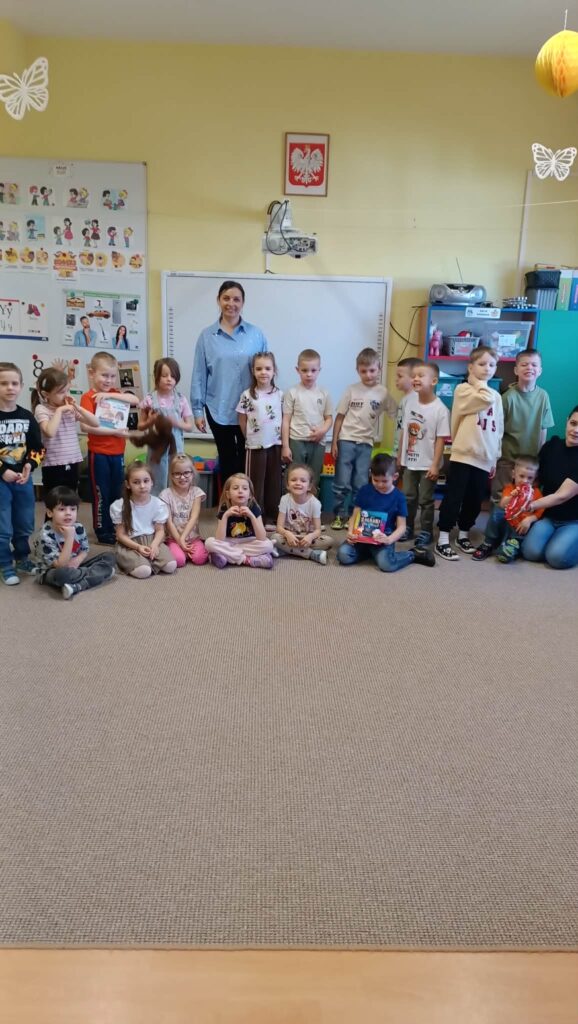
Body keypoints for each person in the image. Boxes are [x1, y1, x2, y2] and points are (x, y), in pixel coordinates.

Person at [190, 281, 268, 484]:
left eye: (236, 299)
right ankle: (227, 501)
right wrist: (197, 411)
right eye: (226, 298)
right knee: (227, 460)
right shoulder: (207, 336)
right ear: (218, 300)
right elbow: (199, 374)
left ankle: (246, 501)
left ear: (243, 303)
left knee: (247, 461)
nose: (231, 303)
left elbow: (267, 370)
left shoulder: (256, 335)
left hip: (251, 410)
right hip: (218, 408)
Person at [435, 346, 504, 561]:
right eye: (482, 364)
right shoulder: (464, 390)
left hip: (485, 457)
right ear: (470, 367)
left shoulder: (496, 396)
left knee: (475, 499)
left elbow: (499, 429)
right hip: (464, 453)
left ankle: (463, 534)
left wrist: (495, 457)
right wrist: (477, 382)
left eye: (492, 365)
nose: (487, 369)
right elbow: (484, 399)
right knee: (454, 496)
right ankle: (443, 538)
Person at [330, 347, 397, 529]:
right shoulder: (351, 390)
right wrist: (334, 442)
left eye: (372, 370)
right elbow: (340, 417)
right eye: (363, 371)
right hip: (346, 440)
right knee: (342, 481)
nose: (368, 375)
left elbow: (396, 413)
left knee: (360, 483)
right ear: (357, 370)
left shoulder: (383, 393)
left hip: (366, 443)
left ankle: (354, 515)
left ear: (379, 368)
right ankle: (339, 515)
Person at [336, 453, 435, 572]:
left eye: (384, 481)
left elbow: (402, 527)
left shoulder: (399, 497)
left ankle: (413, 554)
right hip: (361, 536)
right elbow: (355, 515)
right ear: (371, 475)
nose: (379, 484)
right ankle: (371, 553)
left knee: (386, 565)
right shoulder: (364, 490)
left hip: (384, 536)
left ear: (395, 477)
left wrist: (389, 539)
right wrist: (350, 532)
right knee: (343, 555)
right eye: (375, 480)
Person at [80, 352, 139, 545]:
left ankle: (116, 527)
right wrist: (115, 432)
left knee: (117, 492)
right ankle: (102, 530)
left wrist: (109, 395)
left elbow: (135, 401)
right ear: (92, 373)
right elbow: (86, 427)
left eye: (113, 376)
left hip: (118, 454)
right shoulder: (88, 397)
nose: (109, 380)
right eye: (104, 375)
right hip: (99, 455)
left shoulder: (115, 394)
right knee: (101, 494)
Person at [0, 362, 45, 585]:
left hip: (23, 480)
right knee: (3, 525)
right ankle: (5, 564)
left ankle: (22, 558)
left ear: (21, 386)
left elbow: (38, 448)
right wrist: (3, 471)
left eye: (14, 383)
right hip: (1, 481)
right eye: (3, 383)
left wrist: (29, 465)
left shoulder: (27, 416)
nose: (10, 387)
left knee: (25, 522)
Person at [398, 361, 450, 547]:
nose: (415, 379)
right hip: (409, 461)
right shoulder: (409, 402)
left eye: (421, 376)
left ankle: (426, 531)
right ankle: (407, 527)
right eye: (414, 376)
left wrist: (435, 464)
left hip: (428, 463)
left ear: (434, 381)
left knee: (426, 499)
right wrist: (399, 456)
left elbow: (441, 440)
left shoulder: (440, 409)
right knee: (408, 496)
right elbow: (404, 431)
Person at [519, 407, 578, 570]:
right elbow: (535, 481)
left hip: (573, 521)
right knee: (530, 553)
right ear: (567, 421)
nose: (576, 430)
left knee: (556, 558)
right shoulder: (551, 446)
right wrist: (520, 501)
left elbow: (561, 496)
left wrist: (530, 505)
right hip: (548, 517)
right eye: (573, 423)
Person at [31, 486, 115, 600]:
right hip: (51, 571)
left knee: (110, 557)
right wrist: (69, 537)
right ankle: (97, 574)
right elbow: (60, 565)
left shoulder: (78, 527)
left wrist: (78, 560)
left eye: (72, 509)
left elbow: (84, 549)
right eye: (62, 509)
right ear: (50, 513)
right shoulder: (45, 535)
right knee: (63, 575)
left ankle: (77, 585)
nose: (68, 513)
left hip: (75, 566)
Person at [492, 349, 553, 503]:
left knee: (525, 499)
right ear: (516, 370)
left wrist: (540, 456)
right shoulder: (507, 398)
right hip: (507, 459)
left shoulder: (543, 396)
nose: (529, 368)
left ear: (540, 371)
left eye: (534, 365)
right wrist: (495, 457)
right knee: (502, 498)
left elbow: (543, 428)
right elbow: (497, 431)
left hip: (531, 460)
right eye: (524, 364)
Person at [32, 367, 99, 495]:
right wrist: (59, 410)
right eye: (61, 392)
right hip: (53, 463)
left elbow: (95, 423)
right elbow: (49, 432)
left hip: (72, 461)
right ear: (46, 394)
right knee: (54, 499)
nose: (66, 395)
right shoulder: (42, 409)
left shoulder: (70, 409)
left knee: (70, 498)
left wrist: (77, 407)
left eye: (67, 390)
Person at [236, 351, 283, 527]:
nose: (263, 372)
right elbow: (242, 419)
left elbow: (285, 418)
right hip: (255, 446)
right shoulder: (248, 395)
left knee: (274, 482)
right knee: (255, 482)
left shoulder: (280, 395)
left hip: (275, 444)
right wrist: (249, 437)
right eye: (259, 369)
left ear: (274, 371)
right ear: (253, 371)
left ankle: (272, 516)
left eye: (268, 368)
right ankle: (255, 516)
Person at [110, 461, 177, 579]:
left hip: (152, 540)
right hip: (130, 543)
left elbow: (160, 530)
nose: (142, 486)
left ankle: (146, 561)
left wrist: (155, 545)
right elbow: (120, 535)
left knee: (171, 566)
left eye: (146, 481)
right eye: (136, 482)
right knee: (144, 571)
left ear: (152, 482)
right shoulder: (120, 506)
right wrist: (138, 547)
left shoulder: (158, 504)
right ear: (128, 484)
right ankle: (132, 561)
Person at [138, 357, 194, 494]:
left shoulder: (181, 399)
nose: (169, 379)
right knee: (156, 479)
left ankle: (174, 503)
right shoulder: (150, 399)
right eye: (164, 375)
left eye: (173, 376)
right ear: (157, 377)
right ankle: (156, 503)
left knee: (176, 476)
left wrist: (176, 422)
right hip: (156, 449)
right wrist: (150, 421)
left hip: (176, 448)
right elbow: (140, 426)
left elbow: (190, 426)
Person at [473, 455, 542, 563]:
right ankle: (488, 543)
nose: (525, 481)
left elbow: (540, 512)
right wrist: (512, 496)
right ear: (514, 474)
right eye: (521, 476)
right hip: (507, 523)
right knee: (497, 511)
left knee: (507, 552)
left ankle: (510, 547)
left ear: (535, 478)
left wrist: (529, 519)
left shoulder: (536, 493)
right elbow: (502, 504)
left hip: (520, 529)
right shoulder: (510, 488)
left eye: (530, 478)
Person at [281, 348, 333, 488]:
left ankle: (312, 502)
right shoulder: (292, 392)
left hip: (318, 442)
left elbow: (329, 418)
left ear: (319, 370)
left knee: (314, 479)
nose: (309, 374)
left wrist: (322, 431)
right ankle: (291, 502)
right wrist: (285, 446)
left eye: (313, 370)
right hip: (296, 440)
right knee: (294, 477)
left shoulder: (324, 393)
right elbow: (286, 420)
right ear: (297, 370)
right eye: (304, 370)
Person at [204, 472, 275, 569]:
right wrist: (226, 516)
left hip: (249, 541)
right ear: (228, 494)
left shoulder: (254, 507)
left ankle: (226, 556)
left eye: (244, 488)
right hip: (230, 541)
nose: (240, 491)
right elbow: (219, 539)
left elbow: (262, 537)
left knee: (268, 545)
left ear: (250, 495)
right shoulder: (224, 508)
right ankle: (247, 559)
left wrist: (251, 516)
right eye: (235, 488)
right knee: (209, 543)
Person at [274, 462, 333, 564]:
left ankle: (287, 550)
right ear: (288, 485)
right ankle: (311, 554)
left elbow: (318, 530)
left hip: (307, 538)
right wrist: (287, 534)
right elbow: (279, 527)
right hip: (289, 536)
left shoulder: (315, 503)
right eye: (293, 480)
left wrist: (310, 537)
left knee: (329, 541)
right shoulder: (284, 499)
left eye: (303, 481)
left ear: (309, 486)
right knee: (274, 538)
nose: (298, 483)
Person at [159, 453, 209, 567]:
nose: (182, 477)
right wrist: (179, 540)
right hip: (174, 538)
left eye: (186, 473)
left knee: (200, 559)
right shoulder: (165, 494)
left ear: (192, 473)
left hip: (192, 537)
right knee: (179, 560)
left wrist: (183, 538)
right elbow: (169, 522)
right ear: (171, 475)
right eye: (177, 474)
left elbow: (194, 517)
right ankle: (179, 551)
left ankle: (185, 550)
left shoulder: (196, 492)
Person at [393, 356, 422, 459]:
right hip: (400, 452)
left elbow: (409, 430)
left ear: (414, 379)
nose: (396, 379)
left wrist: (400, 455)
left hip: (406, 455)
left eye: (400, 376)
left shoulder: (414, 399)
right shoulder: (406, 398)